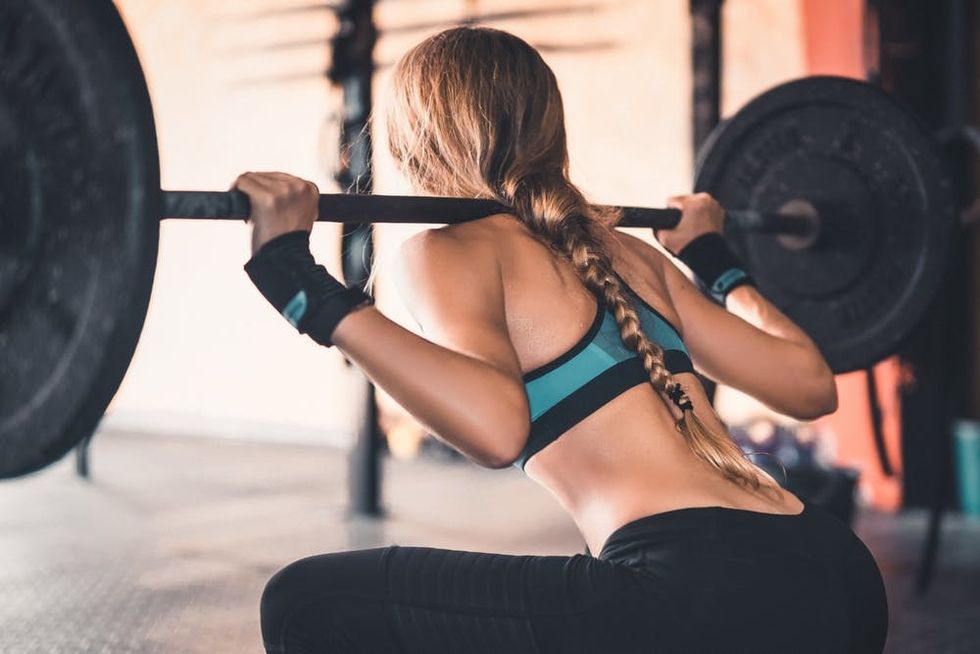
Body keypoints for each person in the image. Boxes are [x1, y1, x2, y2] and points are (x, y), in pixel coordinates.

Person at [234, 26, 888, 654]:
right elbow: (810, 383)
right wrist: (718, 262)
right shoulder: (629, 253)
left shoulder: (449, 250)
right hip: (831, 571)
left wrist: (303, 288)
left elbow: (495, 430)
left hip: (695, 591)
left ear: (413, 138)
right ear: (550, 130)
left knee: (308, 604)